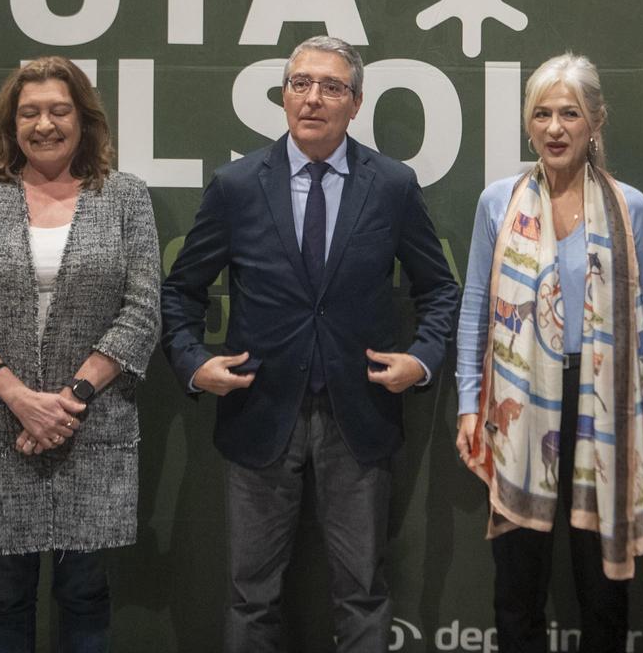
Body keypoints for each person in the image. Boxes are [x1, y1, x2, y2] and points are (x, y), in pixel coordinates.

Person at [159, 35, 459, 653]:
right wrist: (193, 364)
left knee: (363, 593)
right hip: (259, 414)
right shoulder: (238, 186)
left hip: (360, 414)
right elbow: (179, 291)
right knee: (251, 595)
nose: (313, 98)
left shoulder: (393, 185)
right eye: (300, 83)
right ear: (284, 95)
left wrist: (423, 358)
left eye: (331, 87)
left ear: (356, 102)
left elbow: (440, 290)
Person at [0, 56, 161, 652]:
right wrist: (20, 400)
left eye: (59, 110)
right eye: (28, 112)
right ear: (10, 125)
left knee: (84, 592)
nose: (44, 124)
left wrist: (68, 401)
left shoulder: (126, 199)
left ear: (83, 120)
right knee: (5, 594)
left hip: (91, 427)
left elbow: (141, 313)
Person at [455, 53, 643, 653]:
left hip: (607, 409)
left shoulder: (631, 207)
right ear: (527, 123)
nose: (554, 127)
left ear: (596, 120)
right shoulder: (498, 202)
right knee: (518, 584)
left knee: (602, 588)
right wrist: (470, 402)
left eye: (569, 113)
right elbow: (474, 307)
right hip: (519, 403)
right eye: (541, 113)